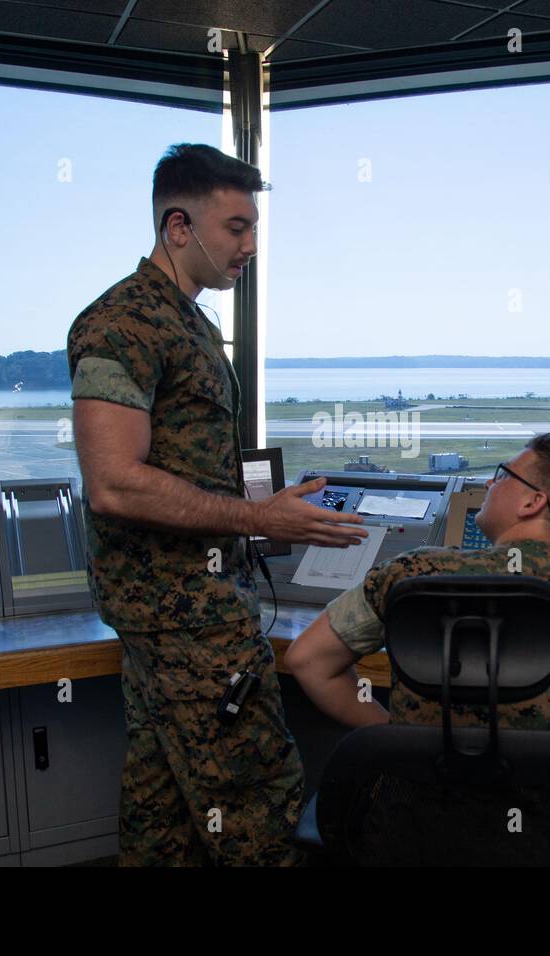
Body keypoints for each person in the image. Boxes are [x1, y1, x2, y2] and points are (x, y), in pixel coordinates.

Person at [67, 143, 368, 866]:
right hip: (181, 615)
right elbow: (112, 480)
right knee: (257, 799)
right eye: (235, 227)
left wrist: (265, 507)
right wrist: (263, 519)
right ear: (178, 226)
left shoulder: (191, 324)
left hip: (184, 605)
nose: (251, 246)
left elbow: (187, 461)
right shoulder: (123, 323)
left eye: (253, 227)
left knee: (163, 811)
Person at [286, 433, 550, 811]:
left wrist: (398, 740)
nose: (490, 482)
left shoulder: (410, 576)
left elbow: (307, 660)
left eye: (504, 474)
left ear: (533, 502)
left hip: (412, 835)